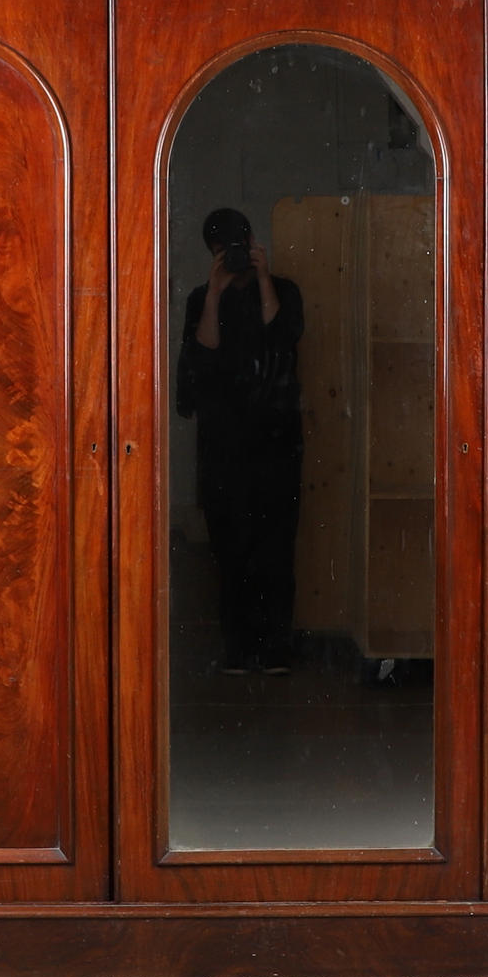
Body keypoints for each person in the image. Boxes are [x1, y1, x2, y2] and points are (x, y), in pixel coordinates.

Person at [176, 208, 304, 674]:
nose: (232, 258)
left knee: (275, 546)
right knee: (229, 548)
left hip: (275, 443)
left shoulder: (283, 291)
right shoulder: (201, 299)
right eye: (222, 252)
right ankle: (238, 649)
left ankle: (274, 649)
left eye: (237, 248)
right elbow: (201, 354)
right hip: (223, 446)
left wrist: (264, 276)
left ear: (251, 242)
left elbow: (284, 337)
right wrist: (213, 294)